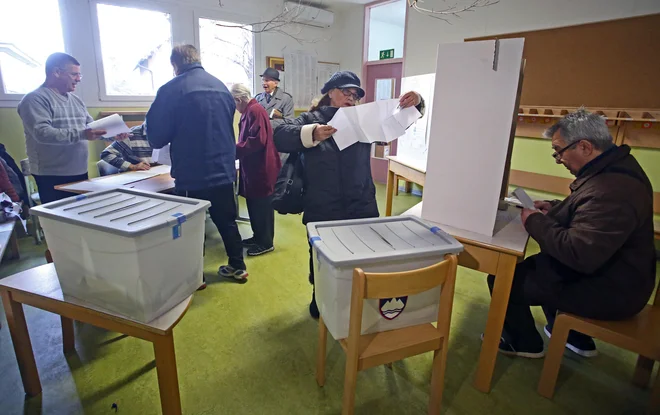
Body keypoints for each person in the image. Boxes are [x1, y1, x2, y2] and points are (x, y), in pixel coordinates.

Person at [488, 108, 656, 358]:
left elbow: (578, 252)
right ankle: (573, 337)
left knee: (505, 278)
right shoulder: (614, 169)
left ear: (585, 147)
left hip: (612, 290)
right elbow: (588, 215)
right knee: (541, 265)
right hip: (617, 274)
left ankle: (523, 342)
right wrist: (556, 208)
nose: (558, 159)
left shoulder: (613, 190)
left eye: (559, 151)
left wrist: (534, 220)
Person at [274, 71, 425, 318]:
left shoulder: (363, 121)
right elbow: (278, 135)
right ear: (330, 91)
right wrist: (312, 133)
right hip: (322, 205)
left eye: (354, 94)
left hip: (360, 202)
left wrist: (416, 101)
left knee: (361, 255)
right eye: (345, 91)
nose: (351, 97)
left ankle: (354, 301)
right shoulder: (311, 119)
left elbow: (402, 121)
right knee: (321, 257)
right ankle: (319, 298)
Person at [146, 45, 247, 285]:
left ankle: (195, 276)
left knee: (191, 225)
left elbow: (156, 137)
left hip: (193, 172)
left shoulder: (171, 90)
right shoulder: (221, 87)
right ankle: (238, 266)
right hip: (224, 169)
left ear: (175, 65)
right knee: (227, 220)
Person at [17, 52, 126, 204]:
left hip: (80, 171)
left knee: (81, 215)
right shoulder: (34, 99)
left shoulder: (76, 100)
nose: (78, 79)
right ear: (56, 72)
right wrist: (82, 134)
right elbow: (42, 133)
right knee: (60, 222)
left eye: (79, 75)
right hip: (51, 175)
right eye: (74, 74)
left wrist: (110, 134)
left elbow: (90, 128)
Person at [230, 84, 282, 256]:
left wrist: (234, 150)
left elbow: (258, 140)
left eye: (234, 103)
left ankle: (266, 242)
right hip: (253, 167)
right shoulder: (250, 111)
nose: (235, 108)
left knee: (262, 206)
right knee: (254, 204)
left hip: (261, 167)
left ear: (239, 99)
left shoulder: (255, 110)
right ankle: (258, 236)